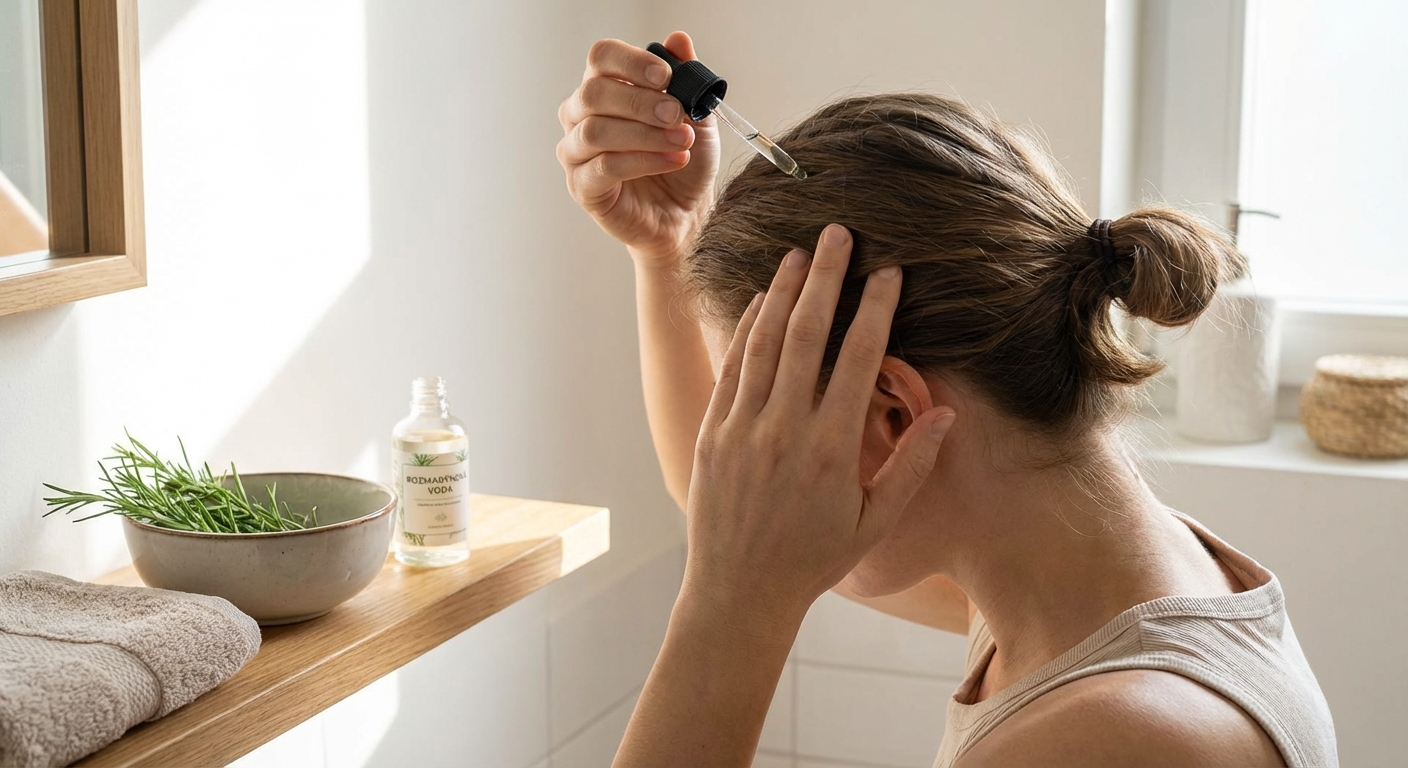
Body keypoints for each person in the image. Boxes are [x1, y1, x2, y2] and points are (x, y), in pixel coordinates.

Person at [556, 32, 1337, 768]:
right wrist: (669, 245)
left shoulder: (1113, 736)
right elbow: (727, 510)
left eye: (763, 417)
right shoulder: (1095, 584)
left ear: (893, 412)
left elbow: (749, 541)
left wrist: (727, 609)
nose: (747, 464)